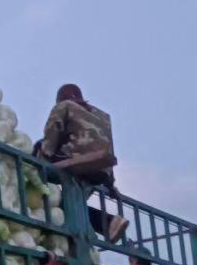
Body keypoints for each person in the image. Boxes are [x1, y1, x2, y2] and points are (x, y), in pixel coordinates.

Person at [36, 84, 129, 242]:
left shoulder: (64, 106)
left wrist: (41, 160)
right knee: (70, 204)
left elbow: (53, 131)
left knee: (39, 146)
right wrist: (110, 185)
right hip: (101, 171)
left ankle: (30, 188)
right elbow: (107, 147)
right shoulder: (102, 115)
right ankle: (109, 222)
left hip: (76, 159)